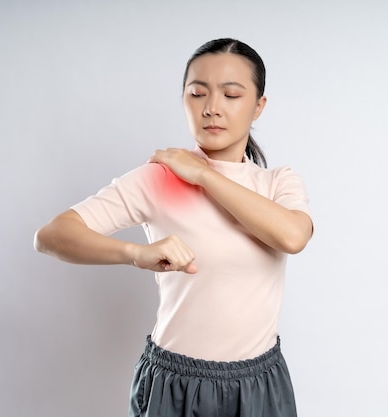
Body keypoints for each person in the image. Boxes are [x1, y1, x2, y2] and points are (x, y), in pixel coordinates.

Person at [34, 38, 313, 417]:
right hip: (176, 384)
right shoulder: (158, 179)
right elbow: (52, 236)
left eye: (231, 95)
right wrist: (136, 253)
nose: (212, 108)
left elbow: (293, 236)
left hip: (260, 382)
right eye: (197, 94)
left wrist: (203, 175)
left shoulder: (278, 183)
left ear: (258, 106)